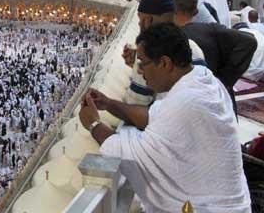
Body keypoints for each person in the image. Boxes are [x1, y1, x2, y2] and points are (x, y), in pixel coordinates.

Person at [79, 23, 251, 213]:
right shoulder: (202, 78)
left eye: (143, 63)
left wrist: (93, 124)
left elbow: (134, 154)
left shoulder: (186, 100)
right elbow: (151, 116)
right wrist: (108, 103)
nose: (140, 71)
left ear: (165, 63)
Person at [173, 0, 256, 111]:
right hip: (217, 98)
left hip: (190, 102)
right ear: (196, 12)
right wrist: (224, 79)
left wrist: (223, 79)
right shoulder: (211, 30)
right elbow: (249, 41)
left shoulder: (172, 37)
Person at [127, 0, 206, 106]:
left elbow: (135, 103)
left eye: (140, 18)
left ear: (147, 21)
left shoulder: (150, 56)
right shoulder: (194, 47)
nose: (139, 24)